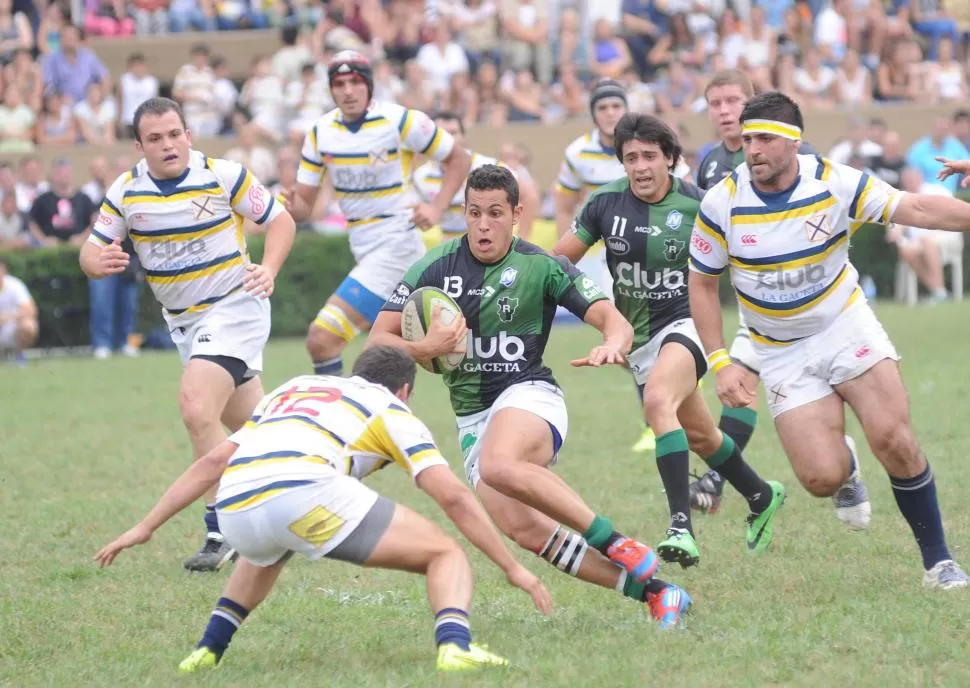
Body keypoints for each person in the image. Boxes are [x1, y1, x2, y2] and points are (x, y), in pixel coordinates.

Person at [94, 345, 551, 672]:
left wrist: (146, 526)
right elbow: (451, 495)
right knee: (445, 554)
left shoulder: (296, 387)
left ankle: (206, 650)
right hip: (302, 491)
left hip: (235, 506)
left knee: (267, 547)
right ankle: (456, 647)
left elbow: (214, 460)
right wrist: (513, 568)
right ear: (405, 390)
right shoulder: (391, 409)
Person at [369, 165, 691, 627]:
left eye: (495, 213)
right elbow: (377, 340)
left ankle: (615, 541)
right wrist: (423, 348)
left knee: (500, 464)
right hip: (471, 417)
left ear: (516, 214)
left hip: (530, 394)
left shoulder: (540, 265)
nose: (483, 224)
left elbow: (612, 318)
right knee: (522, 528)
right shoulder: (434, 268)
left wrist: (613, 342)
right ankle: (659, 593)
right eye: (474, 212)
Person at [688, 91, 969, 590]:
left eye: (765, 139)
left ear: (793, 143)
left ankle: (939, 562)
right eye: (748, 139)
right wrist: (721, 361)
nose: (753, 149)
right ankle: (846, 465)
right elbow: (703, 285)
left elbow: (918, 209)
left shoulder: (834, 181)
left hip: (844, 325)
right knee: (821, 478)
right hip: (778, 350)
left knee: (895, 440)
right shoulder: (722, 200)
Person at [551, 113, 784, 567]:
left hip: (689, 322)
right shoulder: (604, 204)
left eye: (649, 156)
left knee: (658, 402)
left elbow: (749, 258)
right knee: (700, 435)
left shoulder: (700, 205)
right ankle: (761, 495)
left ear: (671, 160)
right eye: (630, 158)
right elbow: (560, 262)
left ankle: (681, 527)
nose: (639, 166)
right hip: (638, 339)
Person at [79, 97, 297, 572]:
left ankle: (221, 530)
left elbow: (280, 219)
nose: (168, 144)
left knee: (197, 407)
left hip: (235, 306)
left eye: (175, 133)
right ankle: (310, 484)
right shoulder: (125, 191)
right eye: (155, 138)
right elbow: (91, 252)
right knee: (253, 427)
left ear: (189, 135)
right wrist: (97, 262)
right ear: (139, 146)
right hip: (185, 326)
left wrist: (271, 268)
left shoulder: (224, 174)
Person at [690, 71, 870, 532]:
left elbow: (838, 212)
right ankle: (834, 463)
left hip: (811, 309)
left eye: (733, 101)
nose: (725, 111)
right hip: (757, 306)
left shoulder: (800, 158)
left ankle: (718, 477)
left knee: (743, 379)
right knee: (738, 383)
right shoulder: (711, 164)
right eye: (715, 103)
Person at [284, 51, 471, 377]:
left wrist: (436, 206)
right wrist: (288, 203)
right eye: (339, 83)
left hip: (396, 243)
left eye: (355, 81)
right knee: (385, 358)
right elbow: (303, 208)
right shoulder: (319, 132)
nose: (348, 90)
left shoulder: (399, 120)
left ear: (369, 85)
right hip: (363, 244)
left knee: (322, 338)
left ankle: (334, 418)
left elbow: (459, 158)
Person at [555, 78, 683, 455]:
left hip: (655, 248)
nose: (610, 113)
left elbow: (680, 194)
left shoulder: (653, 143)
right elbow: (563, 198)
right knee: (625, 344)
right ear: (593, 114)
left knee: (643, 337)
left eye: (616, 106)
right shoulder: (577, 153)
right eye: (602, 108)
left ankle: (657, 414)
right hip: (601, 253)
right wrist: (572, 233)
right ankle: (664, 393)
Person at [411, 110, 538, 242]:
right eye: (442, 133)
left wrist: (522, 240)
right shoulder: (421, 175)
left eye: (453, 133)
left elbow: (529, 195)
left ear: (463, 137)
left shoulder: (489, 166)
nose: (448, 138)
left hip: (489, 245)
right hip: (450, 248)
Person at [0, 257, 38, 365]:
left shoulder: (14, 285)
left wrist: (7, 317)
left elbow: (31, 310)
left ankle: (19, 355)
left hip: (10, 328)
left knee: (28, 326)